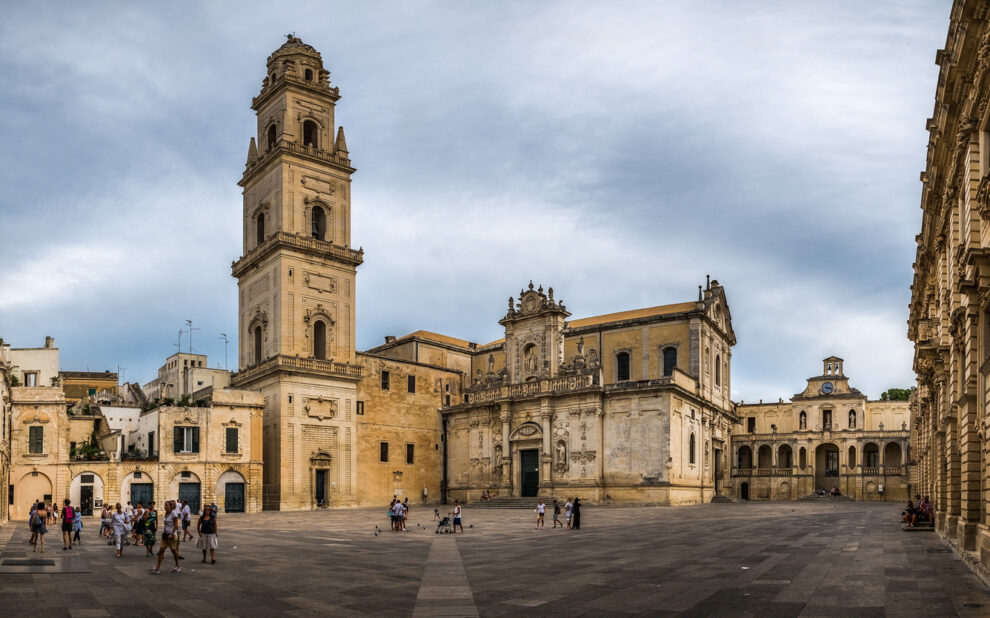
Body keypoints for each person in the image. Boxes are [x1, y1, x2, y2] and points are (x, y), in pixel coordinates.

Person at [152, 500, 182, 574]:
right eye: (165, 505)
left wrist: (172, 534)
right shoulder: (166, 513)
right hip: (165, 535)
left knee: (174, 552)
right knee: (161, 551)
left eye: (166, 505)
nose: (165, 507)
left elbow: (176, 525)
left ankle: (177, 565)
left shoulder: (173, 514)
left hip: (171, 536)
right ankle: (158, 567)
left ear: (170, 506)